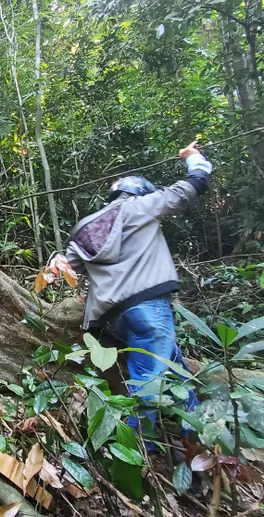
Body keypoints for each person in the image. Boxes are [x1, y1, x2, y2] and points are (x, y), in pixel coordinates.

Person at [50, 141, 212, 434]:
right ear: (141, 193)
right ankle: (141, 451)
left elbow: (62, 270)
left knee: (176, 370)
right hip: (149, 307)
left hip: (111, 321)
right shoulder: (142, 207)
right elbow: (195, 184)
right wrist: (194, 157)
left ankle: (197, 438)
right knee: (150, 380)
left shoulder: (87, 226)